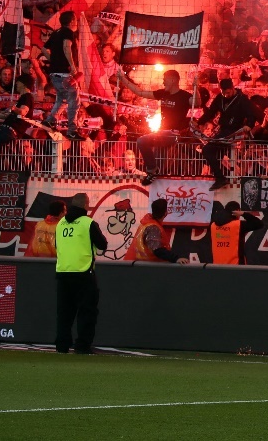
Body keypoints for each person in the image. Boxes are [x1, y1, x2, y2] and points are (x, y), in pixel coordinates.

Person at [118, 68, 193, 184]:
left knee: (142, 141)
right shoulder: (162, 93)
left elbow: (197, 103)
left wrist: (196, 87)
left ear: (173, 80)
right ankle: (156, 177)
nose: (163, 82)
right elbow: (140, 92)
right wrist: (123, 79)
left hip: (174, 133)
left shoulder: (184, 96)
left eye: (165, 79)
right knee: (160, 167)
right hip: (162, 134)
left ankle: (152, 171)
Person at [55, 193, 108, 354]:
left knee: (64, 313)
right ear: (86, 205)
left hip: (63, 272)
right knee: (87, 312)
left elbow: (57, 246)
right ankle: (82, 345)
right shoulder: (88, 223)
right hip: (83, 272)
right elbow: (102, 245)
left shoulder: (61, 223)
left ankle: (62, 345)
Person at [196, 78, 257, 190]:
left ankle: (220, 178)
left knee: (207, 150)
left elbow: (251, 114)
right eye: (223, 93)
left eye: (228, 93)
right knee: (215, 154)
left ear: (233, 88)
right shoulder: (220, 98)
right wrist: (199, 121)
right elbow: (211, 112)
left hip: (233, 130)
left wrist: (249, 124)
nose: (226, 95)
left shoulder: (242, 99)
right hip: (223, 129)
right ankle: (222, 175)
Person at [45, 11, 81, 136]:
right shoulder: (68, 32)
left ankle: (50, 121)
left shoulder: (56, 33)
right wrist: (72, 65)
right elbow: (67, 46)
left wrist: (54, 60)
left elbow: (44, 48)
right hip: (65, 73)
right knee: (74, 102)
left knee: (62, 99)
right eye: (76, 19)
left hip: (54, 74)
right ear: (71, 21)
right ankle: (73, 130)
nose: (77, 22)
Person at [124, 199, 184, 263]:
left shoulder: (145, 223)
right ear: (166, 213)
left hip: (137, 264)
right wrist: (175, 259)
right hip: (147, 267)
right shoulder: (153, 227)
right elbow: (157, 249)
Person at [209, 201, 262, 265]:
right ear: (237, 211)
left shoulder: (213, 225)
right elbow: (259, 224)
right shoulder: (238, 225)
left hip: (217, 267)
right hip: (236, 268)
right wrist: (243, 214)